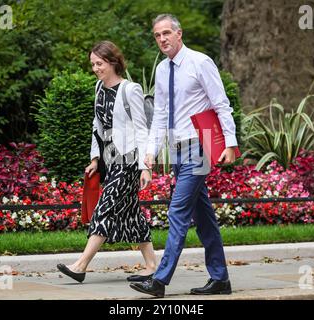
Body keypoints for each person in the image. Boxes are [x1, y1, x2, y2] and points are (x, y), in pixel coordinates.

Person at [129, 14, 238, 298]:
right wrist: (151, 151)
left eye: (166, 33)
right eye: (157, 35)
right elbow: (161, 114)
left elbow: (221, 105)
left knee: (177, 211)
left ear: (179, 34)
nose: (162, 39)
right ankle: (220, 279)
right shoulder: (163, 70)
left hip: (199, 148)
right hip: (177, 151)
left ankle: (160, 279)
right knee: (204, 218)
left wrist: (230, 143)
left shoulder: (200, 62)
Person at [57, 40, 157, 283]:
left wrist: (145, 167)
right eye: (92, 64)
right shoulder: (98, 88)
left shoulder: (130, 89)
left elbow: (142, 129)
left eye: (99, 63)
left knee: (105, 207)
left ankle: (80, 266)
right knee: (131, 213)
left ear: (113, 62)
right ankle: (152, 265)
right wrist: (95, 158)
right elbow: (97, 125)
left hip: (130, 158)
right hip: (111, 158)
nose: (95, 68)